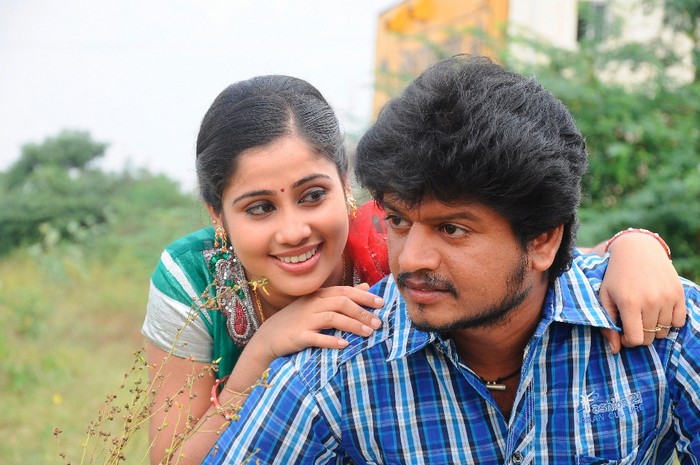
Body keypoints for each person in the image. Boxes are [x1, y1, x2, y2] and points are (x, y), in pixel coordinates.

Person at [203, 55, 697, 464]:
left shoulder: (660, 326)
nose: (410, 259)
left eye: (452, 229)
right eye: (398, 221)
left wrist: (635, 242)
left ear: (542, 240)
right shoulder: (332, 371)